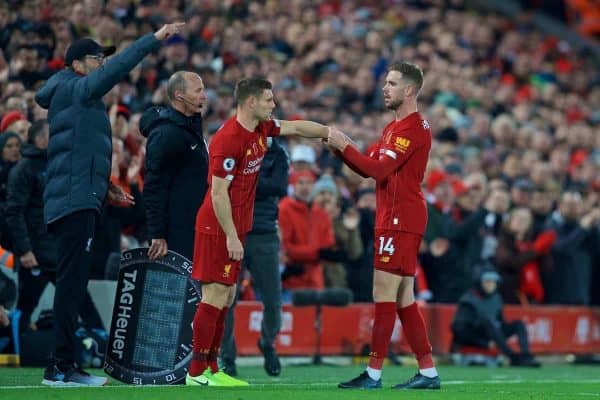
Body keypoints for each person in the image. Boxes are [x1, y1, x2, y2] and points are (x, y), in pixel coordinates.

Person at [34, 22, 185, 386]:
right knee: (71, 285)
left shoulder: (72, 96)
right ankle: (61, 367)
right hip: (73, 202)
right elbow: (120, 68)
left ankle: (62, 364)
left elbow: (78, 152)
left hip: (79, 197)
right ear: (77, 64)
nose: (103, 63)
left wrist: (104, 186)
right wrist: (153, 38)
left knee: (73, 283)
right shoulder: (77, 89)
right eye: (97, 58)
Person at [186, 77, 330, 387]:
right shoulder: (228, 139)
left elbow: (296, 127)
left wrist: (329, 133)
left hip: (237, 226)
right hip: (217, 227)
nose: (273, 104)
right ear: (251, 102)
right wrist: (232, 235)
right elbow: (218, 194)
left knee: (227, 295)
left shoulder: (262, 129)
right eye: (268, 99)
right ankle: (196, 372)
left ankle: (212, 368)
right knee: (214, 295)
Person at [328, 62, 440, 390]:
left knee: (384, 293)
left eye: (391, 83)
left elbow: (377, 172)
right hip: (396, 217)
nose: (384, 88)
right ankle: (429, 372)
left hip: (399, 219)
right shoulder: (394, 127)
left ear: (408, 90)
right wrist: (340, 149)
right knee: (404, 298)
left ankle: (374, 374)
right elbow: (369, 167)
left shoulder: (412, 129)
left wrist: (343, 144)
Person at [5, 120, 103, 334]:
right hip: (36, 252)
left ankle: (101, 341)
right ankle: (19, 348)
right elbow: (14, 212)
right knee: (27, 305)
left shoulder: (59, 165)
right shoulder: (24, 169)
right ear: (40, 138)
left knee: (79, 297)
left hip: (59, 248)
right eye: (53, 134)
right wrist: (25, 250)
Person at [220, 136, 289, 378]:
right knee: (227, 298)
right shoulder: (234, 144)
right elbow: (225, 184)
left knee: (273, 300)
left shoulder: (278, 153)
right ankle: (227, 357)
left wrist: (247, 181)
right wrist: (258, 183)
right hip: (235, 231)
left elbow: (280, 187)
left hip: (264, 233)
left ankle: (267, 342)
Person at [141, 70, 209, 261]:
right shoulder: (167, 134)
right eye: (198, 91)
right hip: (175, 234)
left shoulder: (190, 126)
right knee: (175, 289)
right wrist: (157, 234)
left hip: (194, 226)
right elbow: (154, 187)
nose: (204, 95)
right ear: (179, 95)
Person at [451, 268, 541, 367]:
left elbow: (500, 322)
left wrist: (495, 337)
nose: (491, 285)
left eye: (493, 282)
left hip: (492, 334)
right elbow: (460, 331)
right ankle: (512, 356)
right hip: (475, 337)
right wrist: (484, 343)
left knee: (519, 324)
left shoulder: (496, 298)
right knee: (488, 322)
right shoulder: (468, 301)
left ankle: (525, 355)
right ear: (479, 282)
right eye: (487, 281)